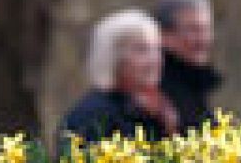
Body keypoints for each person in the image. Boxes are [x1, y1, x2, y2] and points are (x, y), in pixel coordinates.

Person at [62, 9, 178, 142]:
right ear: (114, 57)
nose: (155, 60)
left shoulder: (154, 110)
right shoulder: (92, 116)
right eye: (141, 50)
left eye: (157, 49)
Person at [154, 0, 222, 132]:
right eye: (193, 30)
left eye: (206, 29)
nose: (203, 40)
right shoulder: (154, 91)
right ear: (164, 35)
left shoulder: (194, 86)